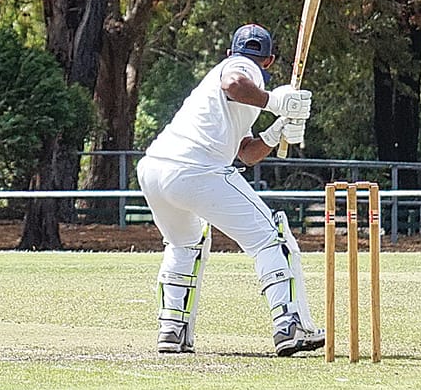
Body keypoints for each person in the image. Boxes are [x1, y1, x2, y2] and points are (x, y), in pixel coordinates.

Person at [136, 24, 322, 356]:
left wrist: (277, 129)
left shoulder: (226, 93)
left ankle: (171, 329)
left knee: (184, 243)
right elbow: (234, 83)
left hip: (155, 168)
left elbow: (246, 153)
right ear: (269, 61)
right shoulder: (242, 69)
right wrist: (273, 101)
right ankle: (289, 325)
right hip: (196, 169)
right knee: (272, 237)